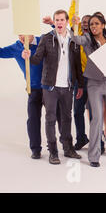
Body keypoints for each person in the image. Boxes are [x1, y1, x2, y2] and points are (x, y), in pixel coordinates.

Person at [22, 9, 83, 165]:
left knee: (67, 118)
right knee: (50, 119)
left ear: (67, 21)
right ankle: (53, 152)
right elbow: (37, 60)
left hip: (67, 86)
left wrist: (80, 85)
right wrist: (28, 57)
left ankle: (68, 148)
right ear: (54, 22)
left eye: (62, 20)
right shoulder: (47, 38)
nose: (59, 23)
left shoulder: (74, 39)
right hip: (50, 87)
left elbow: (77, 65)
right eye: (56, 20)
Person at [71, 6, 106, 167]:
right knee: (96, 119)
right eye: (91, 25)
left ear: (103, 25)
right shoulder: (88, 39)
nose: (93, 26)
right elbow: (76, 39)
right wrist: (75, 26)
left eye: (96, 24)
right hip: (94, 83)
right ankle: (94, 156)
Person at [1, 35, 46, 159]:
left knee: (56, 116)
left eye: (25, 33)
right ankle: (36, 150)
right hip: (33, 89)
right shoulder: (17, 47)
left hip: (49, 88)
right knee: (33, 119)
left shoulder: (43, 40)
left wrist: (53, 23)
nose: (22, 36)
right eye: (20, 33)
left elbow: (60, 35)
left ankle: (63, 146)